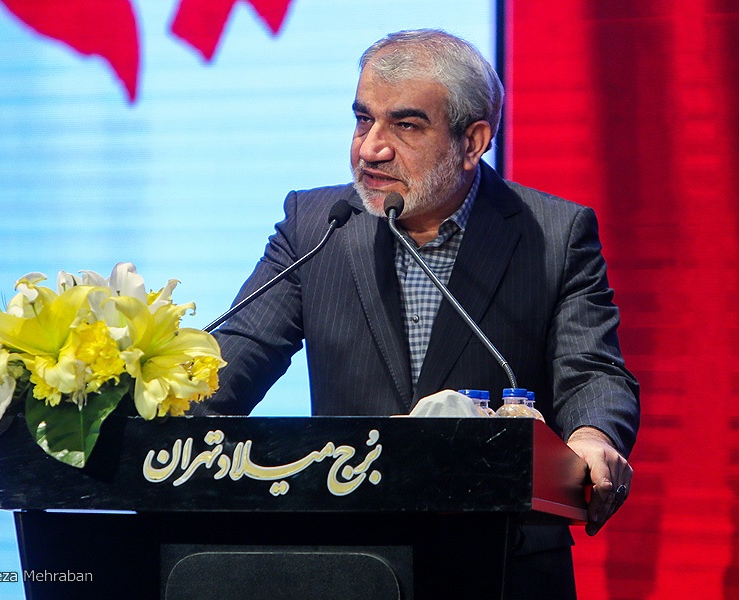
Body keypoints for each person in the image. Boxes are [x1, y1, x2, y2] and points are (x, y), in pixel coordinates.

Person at [195, 29, 639, 598]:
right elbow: (234, 357)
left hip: (501, 563)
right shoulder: (317, 225)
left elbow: (591, 370)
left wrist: (592, 436)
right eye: (363, 120)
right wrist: (136, 407)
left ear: (473, 141)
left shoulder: (554, 234)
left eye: (405, 126)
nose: (370, 149)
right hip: (348, 564)